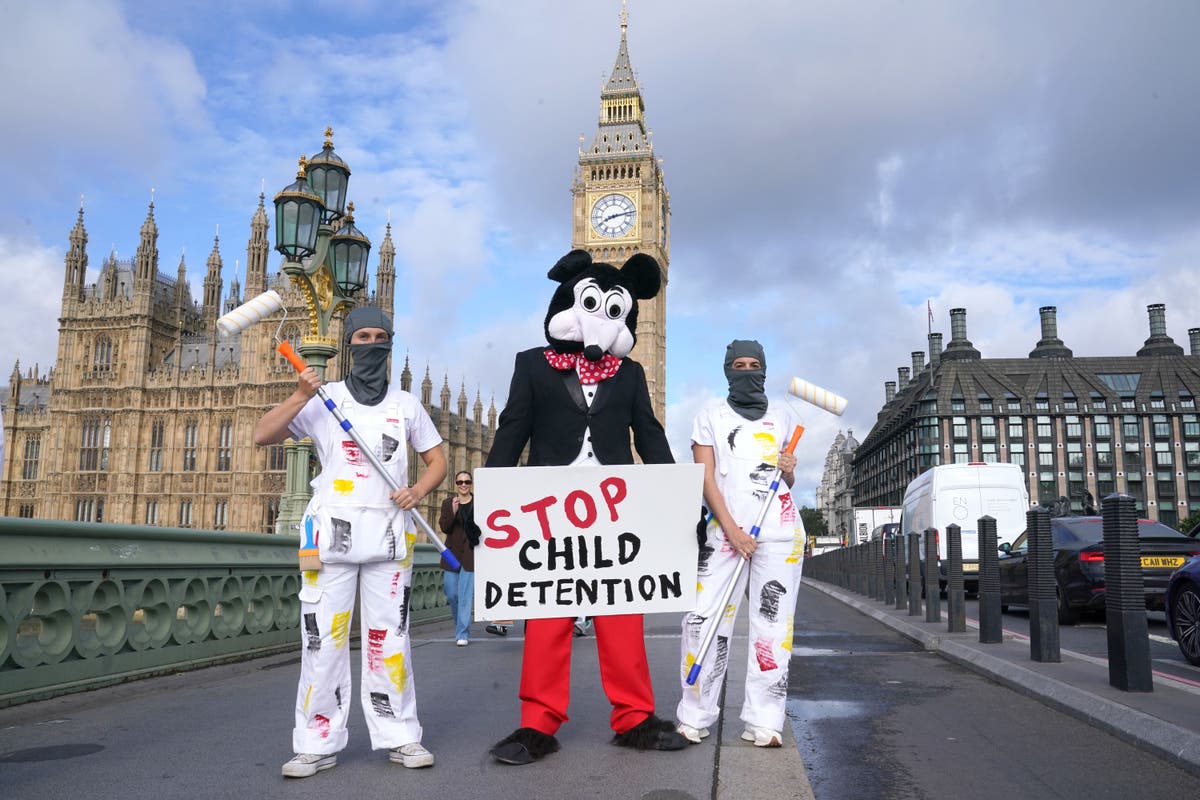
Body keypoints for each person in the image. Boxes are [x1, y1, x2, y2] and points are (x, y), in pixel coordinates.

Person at [485, 249, 687, 765]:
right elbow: (513, 432)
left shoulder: (631, 372)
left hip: (616, 510)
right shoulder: (531, 364)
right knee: (547, 619)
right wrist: (487, 501)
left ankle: (635, 717)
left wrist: (677, 500)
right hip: (547, 511)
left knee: (622, 616)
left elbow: (649, 436)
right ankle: (537, 723)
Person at [253, 307, 447, 778]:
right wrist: (301, 395)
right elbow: (262, 434)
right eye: (363, 335)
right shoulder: (324, 396)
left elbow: (437, 461)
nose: (372, 343)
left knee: (391, 641)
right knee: (323, 644)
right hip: (329, 539)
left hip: (389, 537)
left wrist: (417, 490)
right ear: (349, 344)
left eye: (381, 336)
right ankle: (317, 741)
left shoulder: (406, 405)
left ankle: (401, 736)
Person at [674, 339, 806, 749]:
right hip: (725, 534)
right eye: (739, 364)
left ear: (763, 370)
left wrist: (789, 469)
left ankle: (765, 721)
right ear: (728, 369)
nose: (747, 371)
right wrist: (731, 530)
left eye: (754, 364)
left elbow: (784, 484)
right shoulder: (709, 417)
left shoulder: (785, 417)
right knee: (702, 620)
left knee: (773, 628)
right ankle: (694, 714)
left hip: (780, 531)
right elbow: (706, 479)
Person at [439, 470, 480, 646]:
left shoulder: (479, 503)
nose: (463, 485)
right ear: (456, 484)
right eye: (460, 482)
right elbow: (445, 527)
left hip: (471, 554)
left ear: (471, 484)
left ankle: (462, 633)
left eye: (467, 482)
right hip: (452, 555)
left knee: (464, 595)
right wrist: (454, 511)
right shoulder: (448, 502)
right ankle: (460, 627)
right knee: (451, 593)